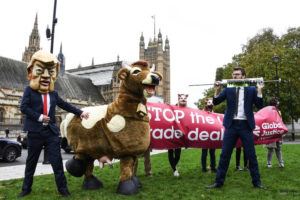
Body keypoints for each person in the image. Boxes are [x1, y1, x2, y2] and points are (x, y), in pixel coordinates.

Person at [18, 50, 89, 198]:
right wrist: (39, 117)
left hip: (51, 133)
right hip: (35, 132)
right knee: (31, 163)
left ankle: (63, 189)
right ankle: (26, 189)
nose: (45, 76)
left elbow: (65, 105)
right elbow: (23, 107)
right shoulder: (29, 91)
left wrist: (80, 112)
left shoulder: (53, 94)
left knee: (57, 163)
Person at [206, 66, 264, 189]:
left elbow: (260, 105)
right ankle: (218, 182)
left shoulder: (251, 89)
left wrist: (259, 91)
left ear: (243, 76)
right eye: (233, 75)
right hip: (231, 125)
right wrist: (216, 90)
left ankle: (257, 182)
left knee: (251, 155)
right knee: (224, 155)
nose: (234, 76)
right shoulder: (228, 89)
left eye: (237, 74)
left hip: (245, 125)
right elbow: (216, 102)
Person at [168, 94, 188, 177]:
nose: (183, 99)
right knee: (170, 151)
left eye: (184, 98)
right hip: (171, 133)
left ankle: (174, 166)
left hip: (180, 135)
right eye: (181, 98)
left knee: (178, 154)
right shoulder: (172, 108)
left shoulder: (187, 110)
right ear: (178, 99)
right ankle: (175, 170)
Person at [266, 97, 284, 168]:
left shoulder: (279, 111)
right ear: (275, 103)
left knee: (278, 148)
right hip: (271, 132)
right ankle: (269, 162)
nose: (278, 103)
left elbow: (280, 121)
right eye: (277, 102)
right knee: (270, 149)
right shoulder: (268, 111)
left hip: (278, 132)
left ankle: (281, 162)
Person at [201, 98, 216, 173]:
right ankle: (204, 168)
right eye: (209, 102)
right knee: (204, 152)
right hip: (205, 135)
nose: (210, 104)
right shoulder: (202, 112)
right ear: (206, 103)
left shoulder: (214, 113)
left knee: (212, 152)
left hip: (212, 135)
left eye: (211, 103)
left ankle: (213, 167)